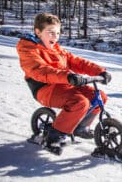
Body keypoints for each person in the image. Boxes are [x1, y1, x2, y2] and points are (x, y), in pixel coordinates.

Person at [16, 12, 112, 149]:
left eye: (58, 33)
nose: (55, 37)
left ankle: (80, 127)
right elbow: (40, 70)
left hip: (64, 84)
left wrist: (100, 71)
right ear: (38, 32)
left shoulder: (56, 49)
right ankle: (54, 137)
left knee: (99, 97)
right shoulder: (28, 49)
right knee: (79, 102)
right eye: (50, 32)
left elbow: (76, 62)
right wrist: (67, 77)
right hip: (44, 88)